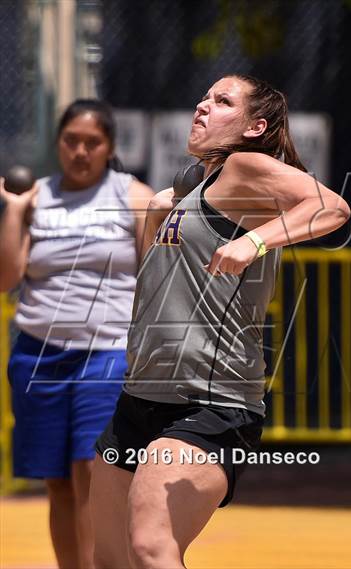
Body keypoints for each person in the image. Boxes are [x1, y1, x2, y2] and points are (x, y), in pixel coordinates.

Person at [91, 75, 351, 569]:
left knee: (150, 547)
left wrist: (253, 242)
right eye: (205, 97)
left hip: (210, 405)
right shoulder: (190, 187)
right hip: (139, 399)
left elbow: (331, 207)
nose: (202, 105)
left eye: (222, 101)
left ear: (256, 126)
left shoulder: (246, 166)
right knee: (109, 560)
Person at [0, 99, 153, 569]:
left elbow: (155, 280)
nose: (80, 151)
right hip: (36, 355)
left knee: (93, 469)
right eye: (71, 141)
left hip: (105, 353)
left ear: (109, 147)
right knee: (57, 482)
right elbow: (8, 277)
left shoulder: (134, 197)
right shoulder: (37, 197)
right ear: (58, 143)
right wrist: (12, 209)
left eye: (92, 142)